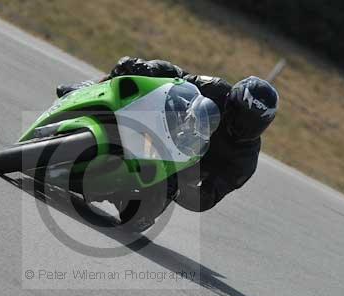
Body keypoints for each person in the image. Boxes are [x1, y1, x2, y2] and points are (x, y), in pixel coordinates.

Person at [57, 56, 279, 230]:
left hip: (173, 172)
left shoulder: (245, 160)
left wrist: (180, 189)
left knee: (135, 222)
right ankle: (85, 91)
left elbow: (208, 199)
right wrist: (149, 68)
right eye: (239, 116)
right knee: (128, 68)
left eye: (252, 124)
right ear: (231, 101)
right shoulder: (216, 89)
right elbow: (178, 78)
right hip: (161, 128)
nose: (242, 127)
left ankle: (111, 186)